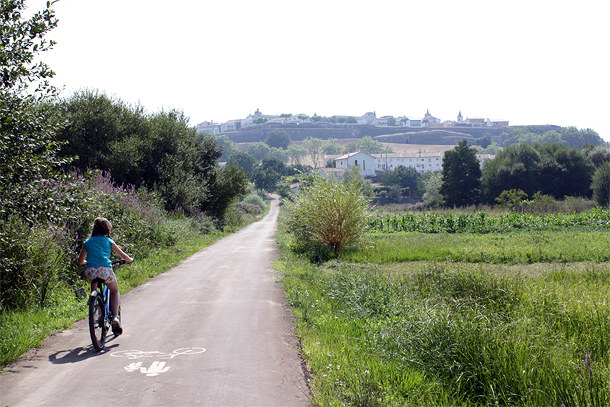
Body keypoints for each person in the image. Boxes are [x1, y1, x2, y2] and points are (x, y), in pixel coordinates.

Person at [78, 217, 133, 335]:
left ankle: (93, 300)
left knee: (94, 278)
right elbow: (123, 256)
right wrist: (129, 260)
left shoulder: (87, 242)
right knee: (114, 291)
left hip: (90, 271)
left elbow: (80, 261)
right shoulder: (108, 241)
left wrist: (86, 263)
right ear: (107, 230)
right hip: (105, 270)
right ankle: (114, 318)